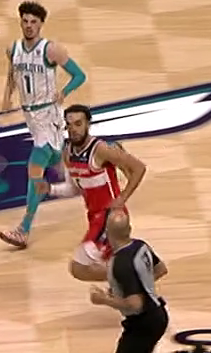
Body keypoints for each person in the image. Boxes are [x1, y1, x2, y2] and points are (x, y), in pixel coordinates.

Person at [0, 1, 87, 250]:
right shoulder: (13, 49)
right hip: (31, 118)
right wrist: (7, 96)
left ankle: (23, 230)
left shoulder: (51, 50)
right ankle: (87, 176)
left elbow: (80, 75)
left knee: (35, 169)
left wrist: (64, 93)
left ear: (41, 24)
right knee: (58, 161)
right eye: (25, 21)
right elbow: (12, 75)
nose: (29, 26)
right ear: (20, 22)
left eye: (34, 22)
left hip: (49, 117)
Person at [38, 104, 148, 282]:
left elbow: (139, 168)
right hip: (94, 218)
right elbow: (75, 188)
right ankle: (131, 283)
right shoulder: (68, 153)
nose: (73, 129)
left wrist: (122, 198)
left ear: (88, 124)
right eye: (69, 125)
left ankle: (136, 277)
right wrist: (50, 189)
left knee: (78, 267)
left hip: (110, 218)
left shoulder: (101, 149)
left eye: (78, 123)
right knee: (107, 264)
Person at [90, 211, 169, 353]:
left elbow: (135, 305)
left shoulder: (121, 264)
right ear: (129, 229)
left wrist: (104, 300)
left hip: (142, 323)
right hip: (157, 315)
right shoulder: (140, 246)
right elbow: (161, 269)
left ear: (107, 233)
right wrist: (134, 290)